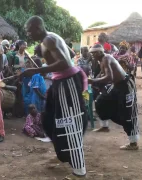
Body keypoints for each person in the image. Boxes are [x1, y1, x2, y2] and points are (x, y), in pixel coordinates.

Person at [21, 16, 88, 179]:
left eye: (29, 31)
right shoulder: (49, 38)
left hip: (67, 83)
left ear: (37, 28)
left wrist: (36, 70)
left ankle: (80, 170)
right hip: (60, 82)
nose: (28, 34)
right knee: (49, 119)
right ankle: (64, 152)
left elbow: (65, 63)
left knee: (70, 123)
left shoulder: (49, 40)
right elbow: (70, 54)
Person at [89, 44, 139, 150]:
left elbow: (109, 77)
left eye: (93, 53)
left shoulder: (106, 58)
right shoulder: (101, 59)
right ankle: (105, 126)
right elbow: (103, 74)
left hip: (125, 85)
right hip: (116, 85)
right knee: (101, 101)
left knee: (127, 114)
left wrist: (93, 81)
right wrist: (95, 80)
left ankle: (133, 143)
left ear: (99, 52)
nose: (92, 55)